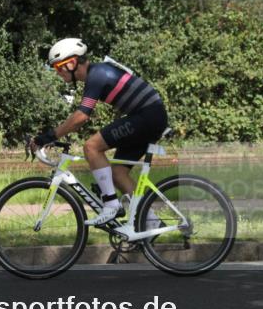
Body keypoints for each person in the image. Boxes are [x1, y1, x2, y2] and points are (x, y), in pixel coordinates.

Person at [32, 38, 168, 225]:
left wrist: (48, 136)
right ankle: (152, 222)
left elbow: (81, 117)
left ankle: (111, 205)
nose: (58, 73)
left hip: (147, 116)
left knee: (91, 147)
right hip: (149, 116)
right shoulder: (97, 73)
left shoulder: (97, 75)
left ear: (72, 63)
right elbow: (80, 118)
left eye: (58, 67)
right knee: (118, 174)